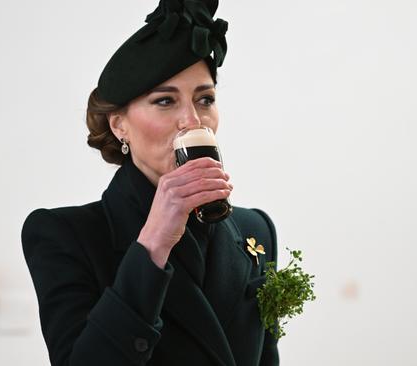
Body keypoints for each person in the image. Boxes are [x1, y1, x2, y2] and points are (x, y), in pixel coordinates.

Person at [21, 1, 280, 365]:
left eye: (205, 99)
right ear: (119, 125)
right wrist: (154, 243)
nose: (192, 121)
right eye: (164, 101)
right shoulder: (66, 235)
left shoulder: (256, 229)